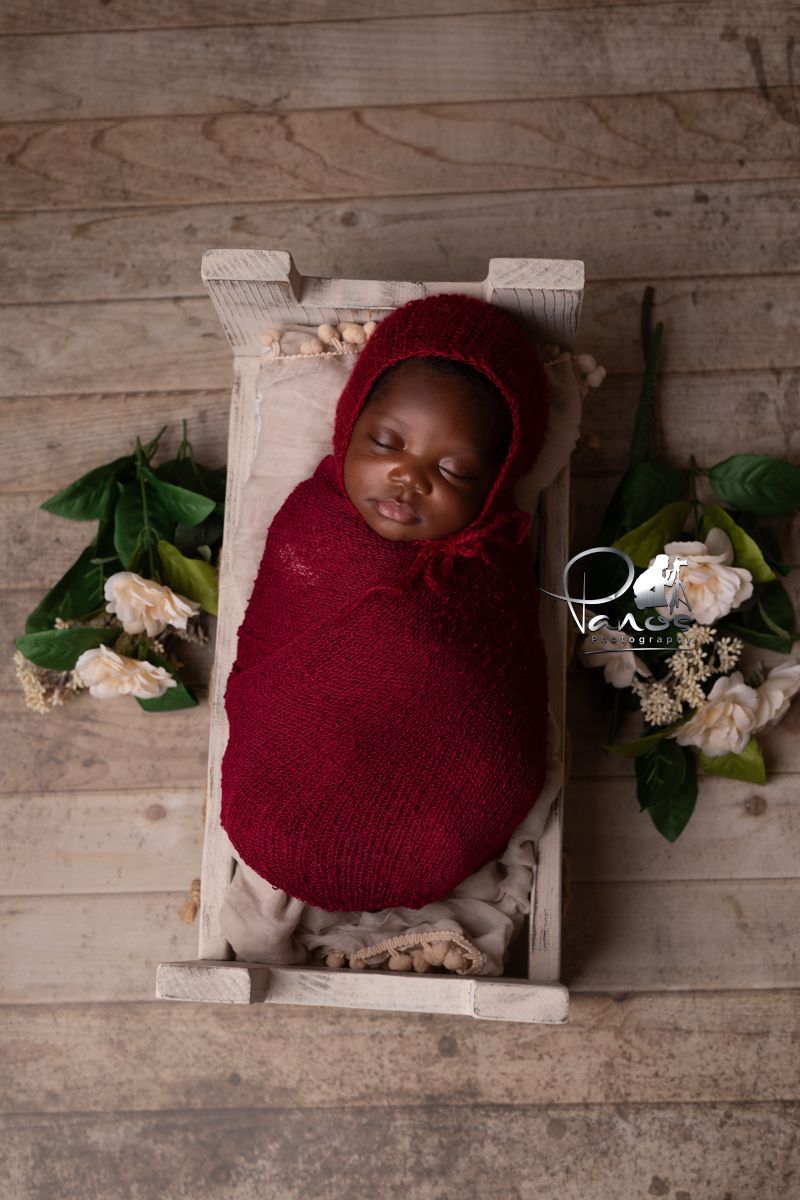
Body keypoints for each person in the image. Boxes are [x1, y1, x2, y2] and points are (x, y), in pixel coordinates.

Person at [220, 292, 551, 914]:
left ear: (496, 484)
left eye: (452, 471)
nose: (410, 477)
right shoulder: (309, 525)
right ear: (349, 426)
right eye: (387, 441)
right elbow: (265, 645)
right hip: (292, 778)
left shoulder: (490, 562)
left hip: (443, 802)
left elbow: (501, 687)